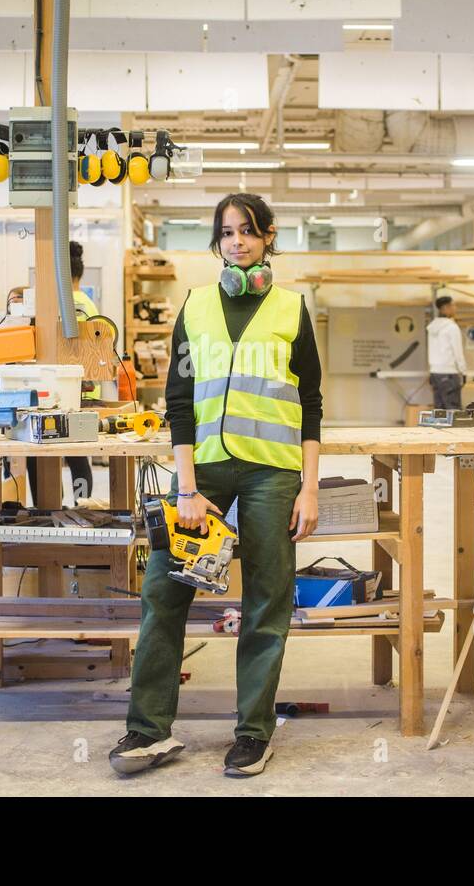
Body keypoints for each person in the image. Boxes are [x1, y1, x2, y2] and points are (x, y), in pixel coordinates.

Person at [110, 193, 323, 779]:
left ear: (269, 236)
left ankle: (254, 733)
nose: (238, 242)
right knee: (163, 591)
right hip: (201, 473)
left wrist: (309, 487)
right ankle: (148, 730)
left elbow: (310, 402)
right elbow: (178, 402)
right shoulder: (196, 307)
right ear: (218, 241)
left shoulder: (291, 309)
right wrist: (185, 487)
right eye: (227, 233)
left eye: (249, 231)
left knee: (266, 600)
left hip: (272, 472)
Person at [25, 241, 96, 503]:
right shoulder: (88, 301)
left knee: (40, 456)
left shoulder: (65, 304)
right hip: (80, 390)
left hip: (64, 392)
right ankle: (81, 506)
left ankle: (49, 508)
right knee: (77, 458)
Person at [427, 295, 467, 411]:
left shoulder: (431, 327)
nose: (455, 308)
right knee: (453, 410)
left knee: (439, 411)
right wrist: (463, 371)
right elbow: (458, 352)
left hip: (435, 373)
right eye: (453, 305)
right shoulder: (452, 327)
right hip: (449, 373)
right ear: (445, 308)